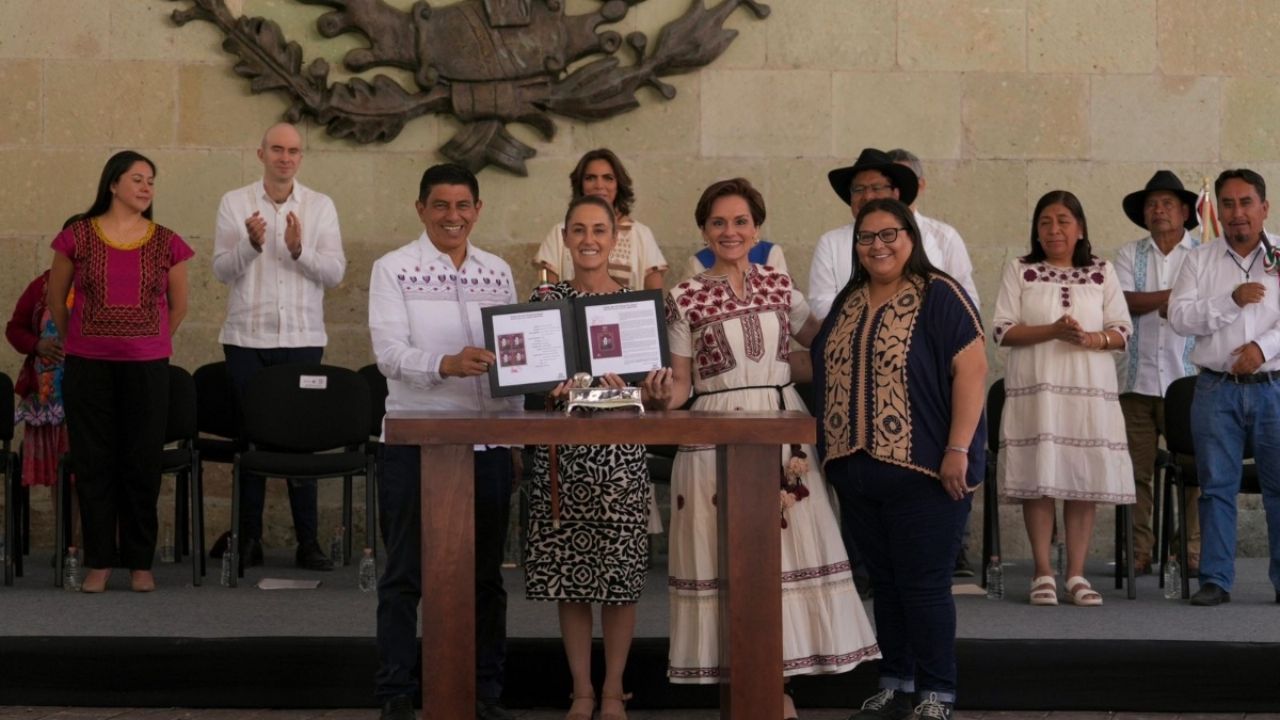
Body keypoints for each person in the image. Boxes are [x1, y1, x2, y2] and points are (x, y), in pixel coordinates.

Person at [660, 178, 878, 720]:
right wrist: (661, 392)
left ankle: (777, 690)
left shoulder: (781, 285)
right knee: (725, 558)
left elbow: (826, 342)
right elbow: (683, 384)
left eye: (740, 222)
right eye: (718, 222)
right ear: (704, 230)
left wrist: (883, 319)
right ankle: (739, 691)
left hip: (781, 433)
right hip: (713, 435)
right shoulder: (684, 296)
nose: (729, 232)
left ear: (757, 227)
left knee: (781, 559)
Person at [811, 197, 987, 720]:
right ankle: (897, 682)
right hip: (857, 471)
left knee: (924, 585)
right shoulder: (848, 301)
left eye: (889, 234)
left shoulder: (940, 294)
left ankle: (938, 692)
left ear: (910, 237)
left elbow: (973, 373)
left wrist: (958, 449)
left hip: (927, 471)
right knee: (885, 586)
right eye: (867, 237)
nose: (878, 245)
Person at [369, 163, 522, 720]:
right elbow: (387, 353)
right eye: (440, 206)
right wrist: (446, 365)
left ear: (477, 211)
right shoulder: (393, 269)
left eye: (462, 206)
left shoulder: (499, 272)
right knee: (404, 575)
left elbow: (514, 361)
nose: (452, 217)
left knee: (485, 578)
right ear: (420, 209)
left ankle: (485, 691)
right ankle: (396, 694)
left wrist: (516, 436)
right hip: (416, 441)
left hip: (487, 446)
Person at [524, 194, 674, 720]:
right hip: (563, 459)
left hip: (618, 459)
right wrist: (551, 385)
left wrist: (647, 388)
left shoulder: (635, 307)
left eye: (599, 230)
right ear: (565, 238)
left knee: (620, 577)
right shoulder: (544, 302)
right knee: (571, 577)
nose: (589, 239)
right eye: (579, 230)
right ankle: (581, 689)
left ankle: (613, 689)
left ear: (614, 240)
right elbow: (528, 386)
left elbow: (653, 394)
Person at [47, 150, 194, 593]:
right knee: (93, 463)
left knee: (141, 463)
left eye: (151, 180)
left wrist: (150, 340)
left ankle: (139, 563)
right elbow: (57, 299)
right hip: (88, 367)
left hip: (147, 368)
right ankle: (98, 562)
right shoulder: (76, 236)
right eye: (137, 179)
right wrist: (82, 341)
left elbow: (179, 305)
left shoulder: (168, 241)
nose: (147, 187)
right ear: (112, 185)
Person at [210, 122, 347, 571]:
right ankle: (249, 539)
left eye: (293, 151)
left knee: (300, 442)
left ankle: (308, 542)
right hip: (247, 340)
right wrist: (251, 246)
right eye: (277, 150)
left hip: (303, 340)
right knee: (249, 439)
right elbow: (222, 270)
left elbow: (334, 273)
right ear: (261, 153)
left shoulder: (320, 206)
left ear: (300, 158)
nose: (285, 157)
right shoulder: (234, 202)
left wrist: (298, 250)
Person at [992, 190, 1135, 608]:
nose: (1053, 230)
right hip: (1038, 387)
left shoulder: (1102, 271)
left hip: (1090, 388)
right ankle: (1042, 572)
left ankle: (1075, 573)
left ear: (1080, 228)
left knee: (1082, 478)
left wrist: (1094, 338)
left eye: (1063, 221)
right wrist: (1052, 330)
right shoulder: (1020, 270)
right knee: (1041, 477)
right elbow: (1002, 330)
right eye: (1045, 222)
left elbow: (1123, 330)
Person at [1168, 168, 1280, 607]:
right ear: (1218, 210)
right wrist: (1228, 302)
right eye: (1228, 204)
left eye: (1246, 203)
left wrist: (1262, 348)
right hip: (1215, 389)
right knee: (1216, 487)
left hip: (1273, 386)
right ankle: (1215, 579)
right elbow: (1179, 318)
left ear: (1264, 207)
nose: (1237, 214)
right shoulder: (1200, 259)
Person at [886, 147, 983, 577]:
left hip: (940, 373)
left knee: (949, 455)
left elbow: (969, 307)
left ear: (919, 186)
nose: (895, 190)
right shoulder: (861, 241)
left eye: (903, 181)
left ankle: (954, 547)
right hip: (889, 375)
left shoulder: (944, 237)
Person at [1114, 171, 1202, 575]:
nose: (1159, 209)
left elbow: (1211, 307)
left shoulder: (1204, 254)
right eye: (1152, 204)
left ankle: (1190, 551)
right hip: (1136, 383)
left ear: (1186, 211)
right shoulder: (1129, 255)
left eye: (1168, 203)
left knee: (1192, 475)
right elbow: (1123, 303)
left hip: (1189, 385)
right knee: (1135, 475)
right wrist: (1176, 298)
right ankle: (1138, 552)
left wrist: (1174, 303)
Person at [808, 147, 979, 321]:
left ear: (895, 194)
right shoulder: (831, 242)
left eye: (877, 187)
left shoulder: (938, 238)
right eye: (858, 189)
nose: (867, 196)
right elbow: (821, 304)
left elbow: (966, 304)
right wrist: (872, 326)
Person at [533, 148, 668, 290]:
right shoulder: (559, 232)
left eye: (608, 178)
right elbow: (549, 299)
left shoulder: (641, 234)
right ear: (580, 185)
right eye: (590, 178)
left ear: (618, 184)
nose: (599, 185)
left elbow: (654, 298)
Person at [6, 266, 72, 536]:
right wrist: (37, 345)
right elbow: (15, 329)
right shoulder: (41, 286)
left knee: (88, 470)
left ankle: (92, 542)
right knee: (62, 470)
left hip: (91, 392)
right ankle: (67, 541)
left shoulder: (104, 285)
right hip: (49, 394)